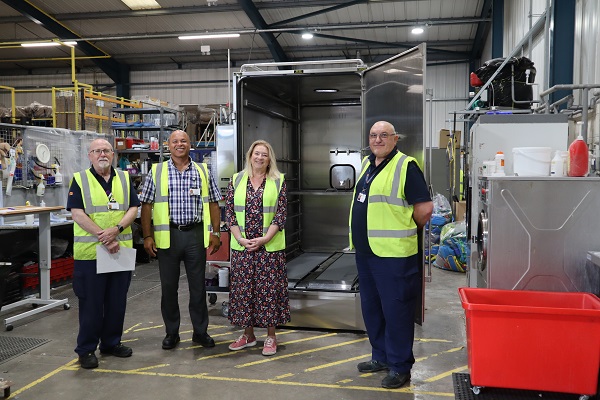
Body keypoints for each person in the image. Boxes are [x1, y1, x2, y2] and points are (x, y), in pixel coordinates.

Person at [349, 121, 433, 389]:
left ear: (395, 139)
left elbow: (425, 209)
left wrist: (403, 228)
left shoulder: (405, 166)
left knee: (396, 312)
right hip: (366, 253)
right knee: (373, 310)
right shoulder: (366, 165)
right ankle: (381, 357)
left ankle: (400, 367)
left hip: (394, 256)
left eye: (384, 135)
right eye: (373, 135)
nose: (378, 140)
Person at [140, 130, 222, 350]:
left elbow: (214, 202)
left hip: (195, 235)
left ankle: (200, 331)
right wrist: (147, 236)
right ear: (168, 145)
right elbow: (145, 206)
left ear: (190, 144)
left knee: (198, 287)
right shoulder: (157, 171)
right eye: (175, 141)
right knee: (169, 288)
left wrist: (216, 232)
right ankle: (172, 332)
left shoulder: (203, 171)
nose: (179, 144)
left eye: (183, 141)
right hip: (168, 236)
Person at [67, 139, 140, 369]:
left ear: (113, 154)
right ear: (89, 155)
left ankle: (111, 343)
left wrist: (116, 230)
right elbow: (77, 214)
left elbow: (133, 208)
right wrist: (104, 237)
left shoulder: (126, 178)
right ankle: (86, 349)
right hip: (91, 254)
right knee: (91, 304)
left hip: (120, 251)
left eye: (106, 150)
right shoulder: (80, 180)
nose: (102, 154)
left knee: (117, 302)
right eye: (97, 151)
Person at [225, 140, 290, 356]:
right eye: (256, 153)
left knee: (269, 293)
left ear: (269, 158)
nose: (260, 158)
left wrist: (263, 239)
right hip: (243, 248)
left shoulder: (278, 180)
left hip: (268, 248)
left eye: (264, 154)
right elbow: (230, 214)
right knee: (244, 293)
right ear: (250, 156)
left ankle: (271, 336)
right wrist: (240, 239)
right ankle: (249, 335)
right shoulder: (236, 180)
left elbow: (281, 215)